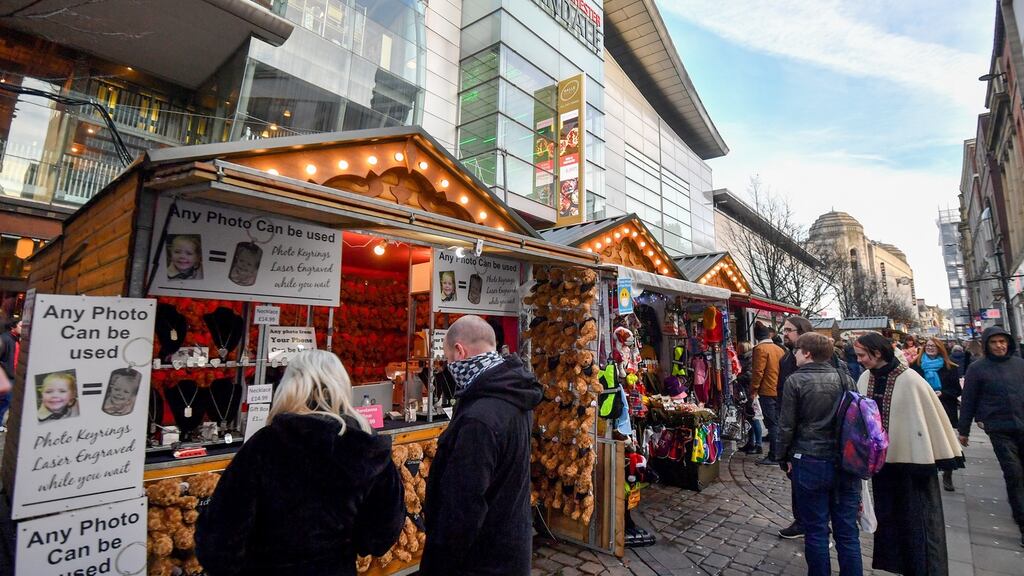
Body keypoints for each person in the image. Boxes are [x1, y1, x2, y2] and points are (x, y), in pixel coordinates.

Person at [195, 350, 405, 576]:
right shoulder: (364, 446)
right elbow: (382, 532)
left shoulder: (265, 445)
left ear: (289, 387)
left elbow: (219, 538)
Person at [420, 315, 542, 575]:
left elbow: (463, 506)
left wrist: (439, 563)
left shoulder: (480, 418)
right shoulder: (512, 393)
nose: (448, 366)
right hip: (510, 548)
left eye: (448, 358)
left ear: (459, 351)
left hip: (481, 560)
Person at [854, 332, 963, 574]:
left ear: (877, 353)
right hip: (882, 465)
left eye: (862, 355)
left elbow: (924, 418)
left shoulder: (910, 379)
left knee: (918, 520)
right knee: (891, 519)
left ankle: (924, 568)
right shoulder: (865, 378)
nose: (859, 360)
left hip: (913, 463)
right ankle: (900, 564)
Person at [778, 333, 860, 576]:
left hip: (810, 459)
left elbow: (787, 426)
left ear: (807, 353)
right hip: (844, 460)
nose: (793, 354)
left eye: (797, 350)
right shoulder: (845, 378)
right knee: (847, 532)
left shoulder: (795, 381)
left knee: (816, 530)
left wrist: (783, 457)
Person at [958, 326, 1024, 548]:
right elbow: (968, 399)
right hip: (999, 427)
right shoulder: (977, 369)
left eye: (1002, 341)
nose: (999, 346)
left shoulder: (1020, 365)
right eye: (994, 342)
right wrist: (963, 430)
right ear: (987, 345)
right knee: (1013, 472)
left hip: (1022, 424)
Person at [911, 337, 963, 491]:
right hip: (923, 407)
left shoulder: (950, 367)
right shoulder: (916, 366)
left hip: (945, 407)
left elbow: (956, 390)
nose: (930, 348)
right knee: (926, 442)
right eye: (928, 346)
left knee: (948, 442)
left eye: (933, 346)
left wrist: (943, 393)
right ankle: (928, 473)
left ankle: (948, 474)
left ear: (940, 348)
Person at [750, 322, 784, 466]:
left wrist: (753, 390)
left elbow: (758, 371)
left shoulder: (760, 349)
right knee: (777, 422)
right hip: (779, 389)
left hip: (767, 390)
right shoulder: (779, 349)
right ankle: (778, 453)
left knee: (772, 423)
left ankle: (774, 455)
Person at [736, 342, 763, 454]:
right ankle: (751, 442)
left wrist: (738, 377)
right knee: (748, 418)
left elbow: (751, 375)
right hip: (745, 391)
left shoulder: (751, 359)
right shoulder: (743, 358)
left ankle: (758, 444)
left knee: (753, 418)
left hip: (750, 392)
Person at [0, 316, 20, 430]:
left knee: (9, 401)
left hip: (13, 376)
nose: (24, 328)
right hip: (7, 376)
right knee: (5, 401)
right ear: (13, 327)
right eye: (21, 326)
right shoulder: (5, 338)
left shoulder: (15, 338)